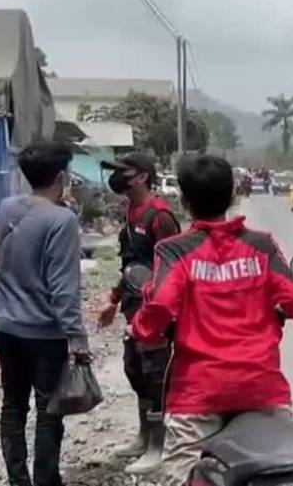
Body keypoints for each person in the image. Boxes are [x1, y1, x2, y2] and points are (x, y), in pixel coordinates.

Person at [129, 155, 293, 485]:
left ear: (185, 201)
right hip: (262, 390)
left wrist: (142, 330)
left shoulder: (174, 250)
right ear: (233, 195)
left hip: (197, 394)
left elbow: (159, 307)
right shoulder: (261, 246)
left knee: (180, 477)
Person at [0, 142, 90, 486]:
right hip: (42, 331)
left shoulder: (7, 207)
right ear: (61, 176)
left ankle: (19, 480)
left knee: (13, 403)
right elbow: (63, 289)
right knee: (49, 409)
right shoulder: (61, 220)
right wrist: (77, 339)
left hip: (2, 323)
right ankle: (46, 479)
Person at [97, 153, 180, 474]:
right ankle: (143, 436)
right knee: (135, 372)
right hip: (133, 309)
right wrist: (114, 298)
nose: (118, 178)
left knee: (156, 377)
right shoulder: (131, 212)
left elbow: (173, 270)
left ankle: (159, 446)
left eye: (124, 172)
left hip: (156, 312)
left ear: (143, 177)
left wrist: (161, 315)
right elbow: (132, 264)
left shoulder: (160, 217)